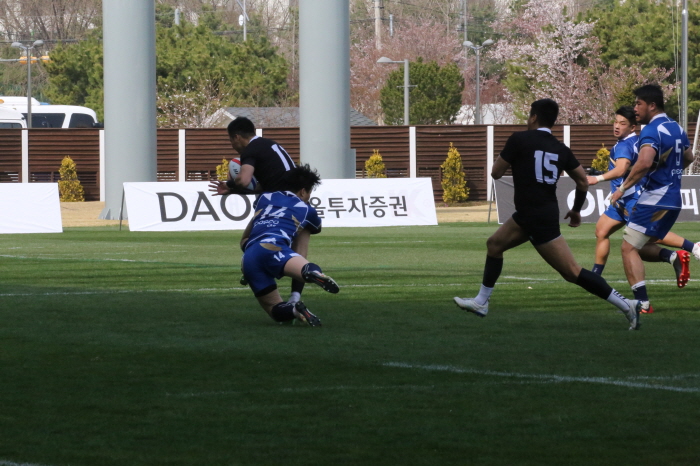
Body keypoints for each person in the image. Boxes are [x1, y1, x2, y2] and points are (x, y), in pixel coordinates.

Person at [454, 98, 642, 330]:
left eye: (529, 115)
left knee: (572, 272)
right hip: (538, 212)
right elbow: (582, 181)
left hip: (535, 215)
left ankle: (627, 305)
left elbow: (495, 173)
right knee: (494, 244)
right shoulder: (560, 148)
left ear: (534, 117)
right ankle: (481, 301)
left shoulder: (519, 139)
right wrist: (576, 210)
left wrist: (514, 158)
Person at [586, 106, 696, 312]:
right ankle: (595, 275)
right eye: (615, 122)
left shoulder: (625, 145)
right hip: (623, 200)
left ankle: (687, 250)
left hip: (631, 198)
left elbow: (621, 169)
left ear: (632, 127)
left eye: (622, 123)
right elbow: (687, 157)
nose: (617, 126)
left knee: (640, 242)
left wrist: (597, 178)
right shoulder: (639, 140)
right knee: (602, 231)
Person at [610, 84, 694, 317]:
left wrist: (623, 188)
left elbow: (645, 162)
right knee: (642, 245)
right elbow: (689, 157)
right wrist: (669, 171)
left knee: (628, 249)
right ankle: (674, 256)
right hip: (673, 198)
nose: (635, 109)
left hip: (654, 198)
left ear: (652, 105)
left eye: (639, 104)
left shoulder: (651, 129)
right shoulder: (676, 127)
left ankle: (642, 304)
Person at [208, 117, 309, 305]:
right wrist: (233, 190)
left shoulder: (250, 150)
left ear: (237, 137)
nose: (232, 145)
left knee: (248, 241)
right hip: (301, 202)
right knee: (300, 252)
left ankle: (255, 268)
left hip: (278, 204)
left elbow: (244, 180)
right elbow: (261, 186)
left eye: (231, 140)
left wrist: (231, 184)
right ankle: (295, 298)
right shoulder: (270, 145)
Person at [240, 164, 339, 326]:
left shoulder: (263, 198)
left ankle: (294, 310)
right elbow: (305, 245)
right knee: (304, 262)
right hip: (275, 247)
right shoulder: (308, 210)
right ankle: (313, 273)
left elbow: (244, 239)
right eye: (309, 193)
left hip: (249, 256)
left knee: (274, 309)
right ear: (303, 191)